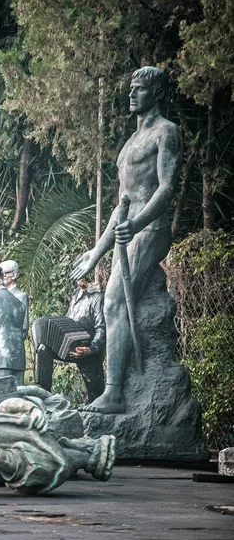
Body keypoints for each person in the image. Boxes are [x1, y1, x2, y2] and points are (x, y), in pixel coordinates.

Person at [70, 66, 183, 414]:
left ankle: (115, 392)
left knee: (114, 302)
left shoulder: (167, 132)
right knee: (112, 301)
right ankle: (115, 390)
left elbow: (167, 188)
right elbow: (121, 205)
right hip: (131, 230)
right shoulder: (129, 144)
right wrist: (96, 253)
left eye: (141, 89)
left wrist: (137, 224)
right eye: (131, 88)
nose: (132, 94)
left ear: (157, 93)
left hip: (152, 229)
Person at [33, 278, 105, 402]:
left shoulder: (97, 297)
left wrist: (91, 348)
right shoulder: (75, 295)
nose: (79, 278)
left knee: (97, 394)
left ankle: (98, 408)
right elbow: (68, 320)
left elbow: (102, 328)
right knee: (43, 348)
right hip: (71, 346)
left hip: (88, 349)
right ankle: (43, 394)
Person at [0, 259, 29, 342]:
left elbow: (24, 326)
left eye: (3, 274)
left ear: (14, 275)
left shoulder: (20, 296)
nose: (0, 277)